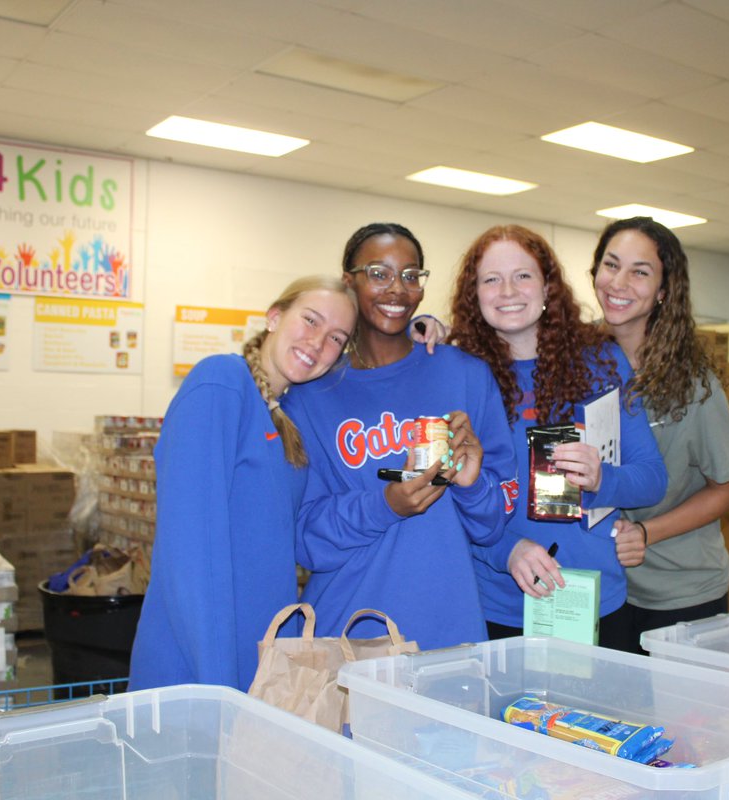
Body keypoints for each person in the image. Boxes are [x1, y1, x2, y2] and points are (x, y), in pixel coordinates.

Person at [285, 222, 517, 648]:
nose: (397, 289)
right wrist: (385, 504)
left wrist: (471, 486)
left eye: (411, 276)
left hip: (448, 629)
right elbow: (302, 540)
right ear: (348, 280)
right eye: (378, 273)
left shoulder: (465, 376)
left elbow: (493, 522)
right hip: (347, 636)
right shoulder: (308, 397)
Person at [128, 275, 357, 692]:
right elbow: (192, 552)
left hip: (259, 661)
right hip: (199, 667)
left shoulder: (284, 415)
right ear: (274, 317)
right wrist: (218, 684)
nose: (317, 342)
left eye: (336, 338)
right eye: (310, 320)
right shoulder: (220, 383)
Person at [447, 224, 667, 650]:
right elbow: (443, 502)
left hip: (595, 603)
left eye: (523, 275)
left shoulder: (601, 362)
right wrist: (505, 551)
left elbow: (653, 477)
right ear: (474, 294)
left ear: (548, 286)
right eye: (491, 279)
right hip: (498, 608)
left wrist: (604, 479)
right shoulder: (457, 376)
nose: (508, 290)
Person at [591, 216, 729, 653]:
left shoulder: (693, 384)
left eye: (640, 271)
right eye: (610, 265)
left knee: (682, 720)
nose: (619, 282)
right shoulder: (577, 365)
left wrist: (647, 532)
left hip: (680, 591)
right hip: (604, 587)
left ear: (663, 291)